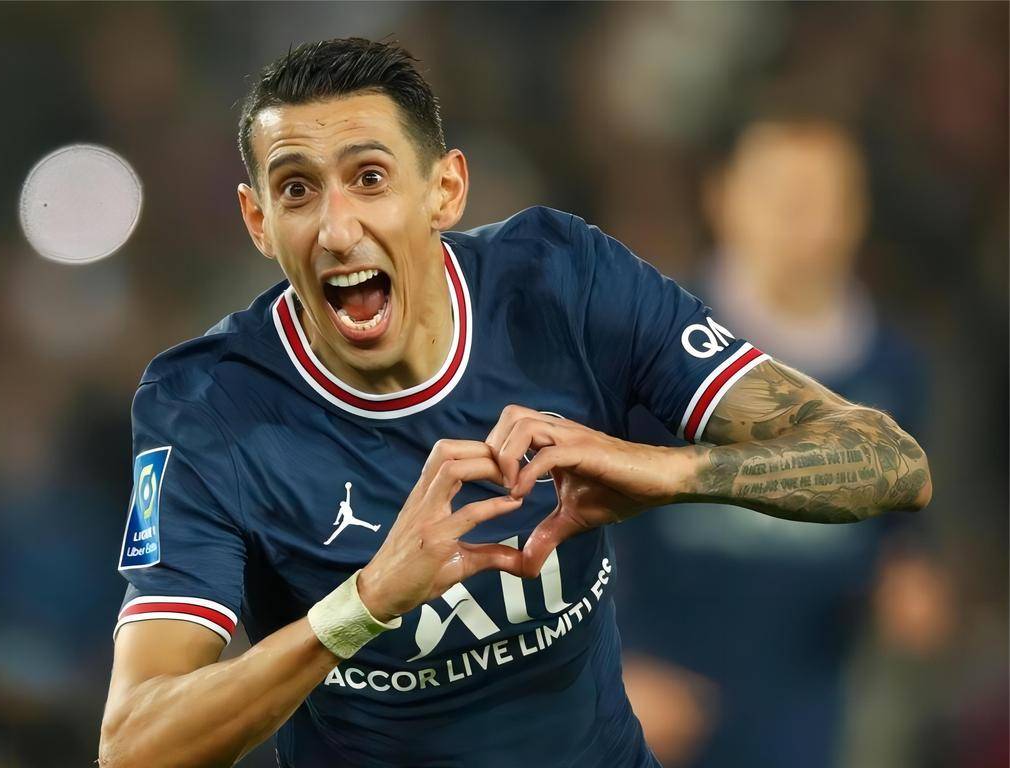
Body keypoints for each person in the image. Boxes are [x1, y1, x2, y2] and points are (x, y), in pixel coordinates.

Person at [97, 39, 931, 768]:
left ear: (446, 189)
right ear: (257, 221)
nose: (337, 228)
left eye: (370, 178)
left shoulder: (561, 282)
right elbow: (134, 745)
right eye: (296, 190)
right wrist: (366, 602)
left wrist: (662, 472)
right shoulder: (207, 408)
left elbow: (892, 463)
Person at [614, 119, 945, 768]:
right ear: (723, 199)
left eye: (823, 198)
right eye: (781, 196)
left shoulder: (894, 372)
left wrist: (907, 590)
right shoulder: (650, 343)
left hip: (804, 712)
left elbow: (902, 539)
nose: (802, 222)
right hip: (660, 702)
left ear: (857, 213)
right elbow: (568, 517)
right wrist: (613, 666)